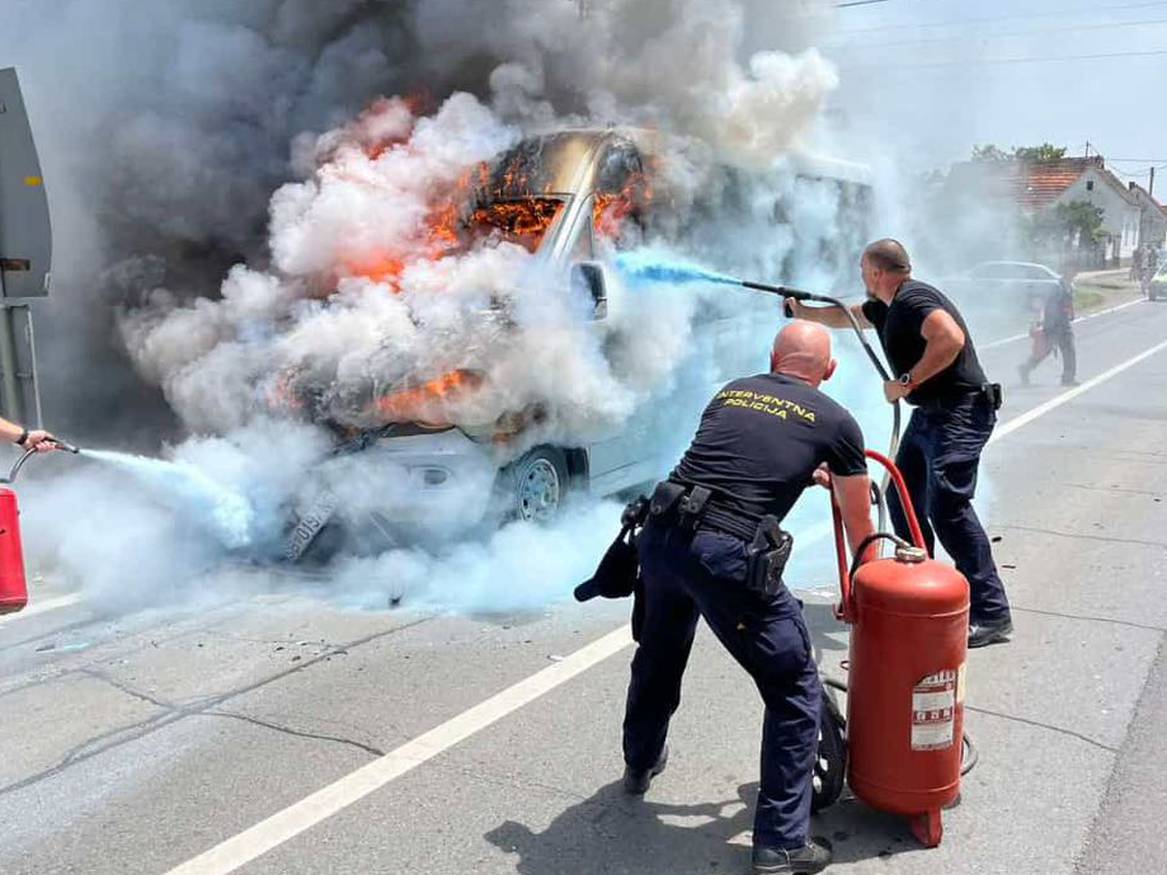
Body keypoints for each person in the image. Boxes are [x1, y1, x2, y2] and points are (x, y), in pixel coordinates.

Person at [622, 321, 877, 875]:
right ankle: (782, 844)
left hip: (662, 535)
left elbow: (737, 457)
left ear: (772, 359)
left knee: (659, 654)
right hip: (726, 555)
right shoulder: (836, 421)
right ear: (828, 373)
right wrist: (865, 589)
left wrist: (802, 472)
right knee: (792, 685)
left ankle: (639, 762)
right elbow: (860, 523)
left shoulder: (732, 389)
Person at [787, 239, 1013, 648]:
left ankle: (992, 613)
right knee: (900, 496)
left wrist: (905, 383)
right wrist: (804, 313)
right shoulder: (889, 306)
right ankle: (916, 586)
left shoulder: (913, 298)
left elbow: (949, 338)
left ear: (876, 272)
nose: (860, 277)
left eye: (862, 270)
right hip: (931, 415)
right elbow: (852, 317)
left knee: (947, 507)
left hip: (959, 412)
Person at [1018, 270, 1077, 386]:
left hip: (1062, 323)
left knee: (1062, 351)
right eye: (1072, 271)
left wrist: (1071, 313)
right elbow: (1049, 306)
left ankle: (1067, 377)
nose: (1074, 274)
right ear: (1066, 271)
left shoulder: (1068, 286)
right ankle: (1025, 368)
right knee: (1054, 350)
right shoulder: (1057, 287)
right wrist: (1045, 324)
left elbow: (1068, 303)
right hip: (1055, 325)